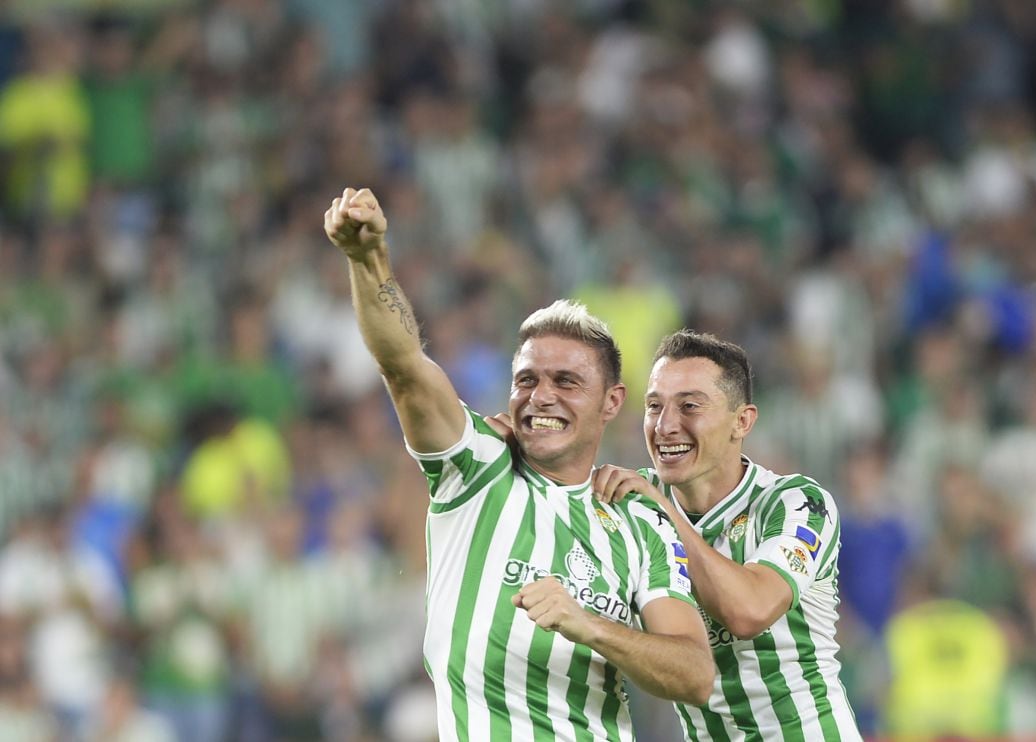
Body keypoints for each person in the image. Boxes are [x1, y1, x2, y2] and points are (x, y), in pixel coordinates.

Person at [322, 187, 712, 741]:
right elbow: (405, 366)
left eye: (566, 381)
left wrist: (592, 626)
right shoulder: (477, 468)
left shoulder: (636, 521)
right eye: (526, 380)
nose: (541, 396)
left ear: (612, 403)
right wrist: (368, 261)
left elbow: (695, 674)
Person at [590, 330, 863, 739]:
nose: (665, 426)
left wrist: (662, 511)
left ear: (742, 421)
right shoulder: (633, 505)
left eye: (689, 407)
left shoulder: (798, 503)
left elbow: (748, 611)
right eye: (654, 407)